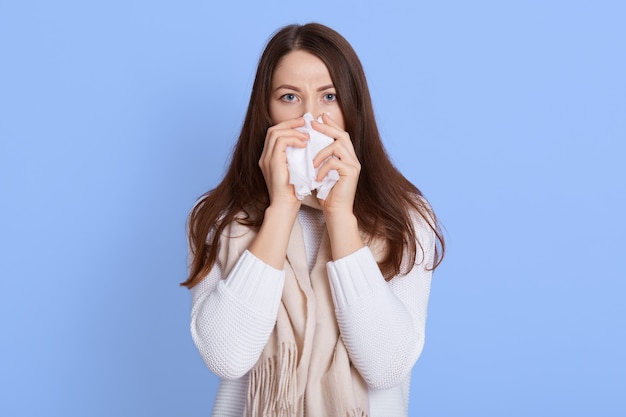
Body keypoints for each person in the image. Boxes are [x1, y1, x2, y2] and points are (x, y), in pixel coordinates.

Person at [182, 22, 445, 417]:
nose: (310, 117)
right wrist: (281, 210)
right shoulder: (218, 217)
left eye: (329, 96)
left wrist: (340, 216)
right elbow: (227, 358)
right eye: (289, 97)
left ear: (351, 107)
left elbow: (386, 366)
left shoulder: (406, 217)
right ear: (266, 111)